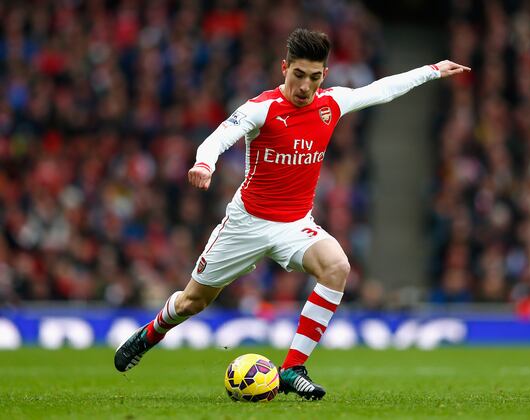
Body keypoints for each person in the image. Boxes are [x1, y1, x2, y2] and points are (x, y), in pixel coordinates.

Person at [114, 28, 470, 400]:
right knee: (193, 302)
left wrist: (431, 70)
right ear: (284, 68)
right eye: (298, 75)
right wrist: (205, 164)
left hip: (295, 225)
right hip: (246, 223)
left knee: (337, 267)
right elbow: (217, 138)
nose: (305, 86)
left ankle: (292, 369)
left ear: (324, 75)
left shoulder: (332, 103)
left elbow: (381, 90)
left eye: (314, 77)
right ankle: (150, 334)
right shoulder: (261, 108)